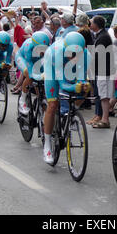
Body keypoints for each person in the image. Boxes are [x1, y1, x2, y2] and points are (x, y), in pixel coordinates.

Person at [42, 32, 91, 164]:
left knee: (84, 88)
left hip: (69, 70)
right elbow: (62, 84)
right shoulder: (57, 54)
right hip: (52, 68)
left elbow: (80, 79)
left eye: (76, 55)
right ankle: (47, 145)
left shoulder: (86, 55)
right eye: (71, 54)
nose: (73, 57)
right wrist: (75, 87)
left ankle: (71, 112)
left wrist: (82, 85)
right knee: (52, 105)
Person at [15, 31, 50, 115]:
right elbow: (31, 69)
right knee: (30, 76)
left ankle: (40, 98)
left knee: (43, 78)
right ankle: (22, 100)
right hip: (23, 58)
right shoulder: (28, 48)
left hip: (37, 60)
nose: (43, 51)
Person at [90, 15, 114, 129]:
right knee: (103, 95)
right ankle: (104, 118)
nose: (90, 24)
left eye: (92, 22)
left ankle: (105, 119)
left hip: (103, 70)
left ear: (96, 24)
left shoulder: (103, 37)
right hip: (104, 69)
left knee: (104, 95)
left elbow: (98, 55)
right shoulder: (102, 35)